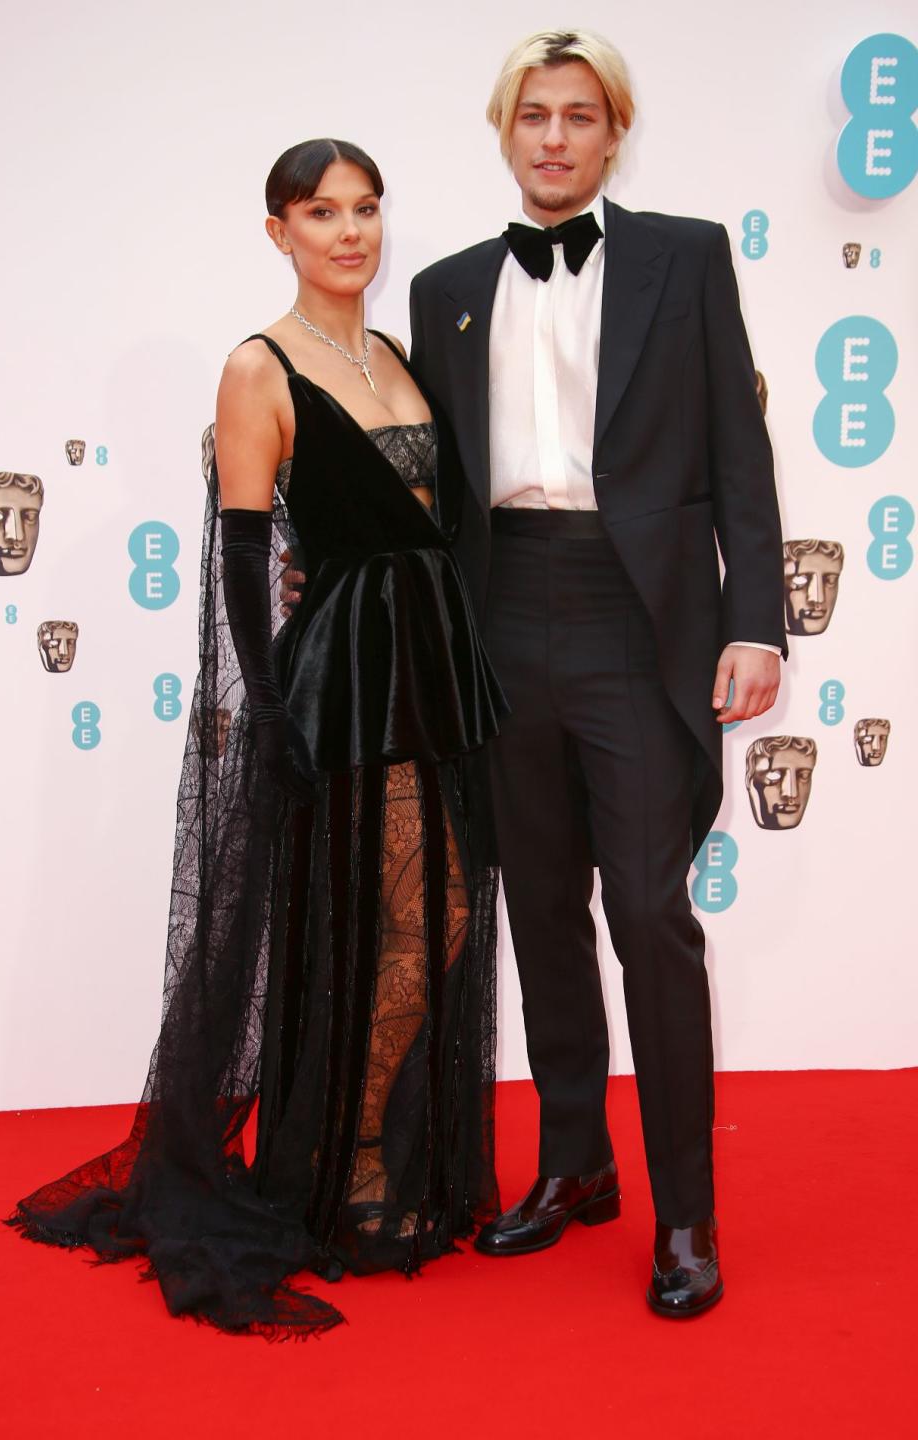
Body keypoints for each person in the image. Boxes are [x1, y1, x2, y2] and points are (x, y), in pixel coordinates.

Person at [286, 29, 786, 1316]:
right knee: (543, 917)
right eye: (532, 117)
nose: (554, 138)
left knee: (652, 925)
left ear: (614, 132)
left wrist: (759, 623)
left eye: (578, 116)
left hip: (638, 626)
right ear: (505, 134)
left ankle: (687, 1219)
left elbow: (741, 450)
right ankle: (575, 1168)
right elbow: (419, 475)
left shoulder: (686, 257)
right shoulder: (446, 288)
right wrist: (327, 565)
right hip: (498, 619)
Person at [6, 138, 507, 1340]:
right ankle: (345, 1161)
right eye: (322, 211)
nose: (351, 231)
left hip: (431, 666)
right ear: (276, 228)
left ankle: (364, 1140)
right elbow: (239, 554)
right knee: (391, 914)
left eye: (368, 208)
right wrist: (274, 703)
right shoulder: (257, 367)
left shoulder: (392, 353)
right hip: (349, 680)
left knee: (432, 910)